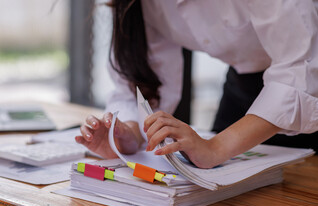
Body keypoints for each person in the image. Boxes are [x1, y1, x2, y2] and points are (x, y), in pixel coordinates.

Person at [75, 0, 318, 168]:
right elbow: (147, 79)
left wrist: (216, 147)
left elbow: (301, 69)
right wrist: (128, 133)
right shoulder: (139, 6)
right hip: (245, 79)